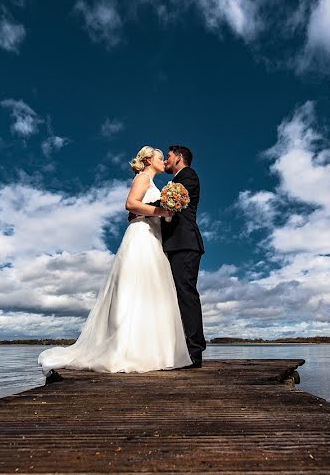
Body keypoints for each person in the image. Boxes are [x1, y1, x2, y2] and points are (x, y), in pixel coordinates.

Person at [38, 146, 192, 374]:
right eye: (160, 157)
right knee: (133, 287)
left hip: (153, 238)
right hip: (140, 235)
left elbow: (147, 209)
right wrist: (163, 212)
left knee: (152, 293)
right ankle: (124, 348)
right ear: (149, 160)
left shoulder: (156, 186)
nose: (163, 161)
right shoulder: (142, 178)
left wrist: (167, 211)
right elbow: (131, 204)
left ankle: (151, 351)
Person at [161, 145, 206, 367]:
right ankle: (177, 349)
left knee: (186, 294)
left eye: (168, 156)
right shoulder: (176, 181)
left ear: (179, 158)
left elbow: (170, 204)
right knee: (175, 296)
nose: (166, 160)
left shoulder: (188, 176)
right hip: (173, 245)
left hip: (185, 244)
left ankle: (194, 352)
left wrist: (140, 206)